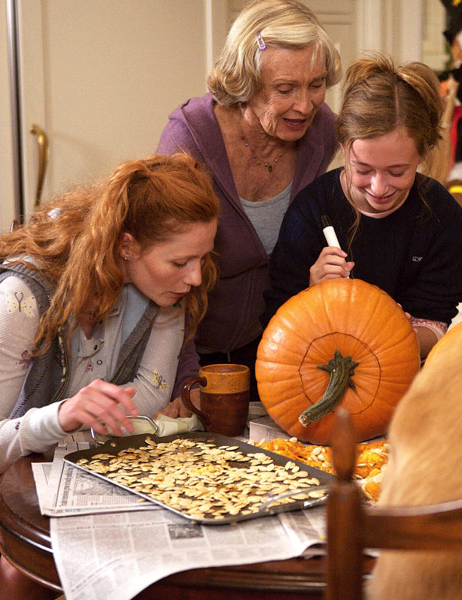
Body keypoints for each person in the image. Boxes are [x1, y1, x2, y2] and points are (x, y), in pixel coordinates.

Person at [0, 153, 219, 600]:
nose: (195, 277)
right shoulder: (26, 294)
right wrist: (58, 420)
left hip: (54, 470)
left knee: (22, 576)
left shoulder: (167, 295)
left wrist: (23, 462)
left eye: (202, 257)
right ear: (127, 245)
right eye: (180, 262)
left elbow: (148, 403)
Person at [156, 0, 341, 408]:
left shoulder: (323, 131)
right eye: (285, 89)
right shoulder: (189, 140)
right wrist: (187, 383)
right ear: (243, 83)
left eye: (316, 84)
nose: (306, 105)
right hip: (183, 353)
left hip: (272, 352)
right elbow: (165, 279)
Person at [263, 53, 462, 358]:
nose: (379, 187)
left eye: (397, 172)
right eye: (363, 170)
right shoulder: (311, 210)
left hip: (404, 373)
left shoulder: (440, 214)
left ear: (422, 155)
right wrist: (312, 293)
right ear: (344, 146)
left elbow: (437, 317)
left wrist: (398, 333)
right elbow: (278, 324)